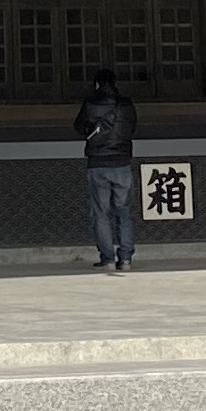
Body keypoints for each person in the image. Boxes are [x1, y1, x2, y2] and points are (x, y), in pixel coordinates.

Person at [74, 65, 137, 271]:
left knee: (101, 213)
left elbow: (78, 127)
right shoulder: (126, 105)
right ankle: (126, 258)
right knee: (124, 211)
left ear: (97, 84)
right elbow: (131, 128)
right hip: (122, 163)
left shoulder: (91, 103)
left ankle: (108, 258)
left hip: (98, 163)